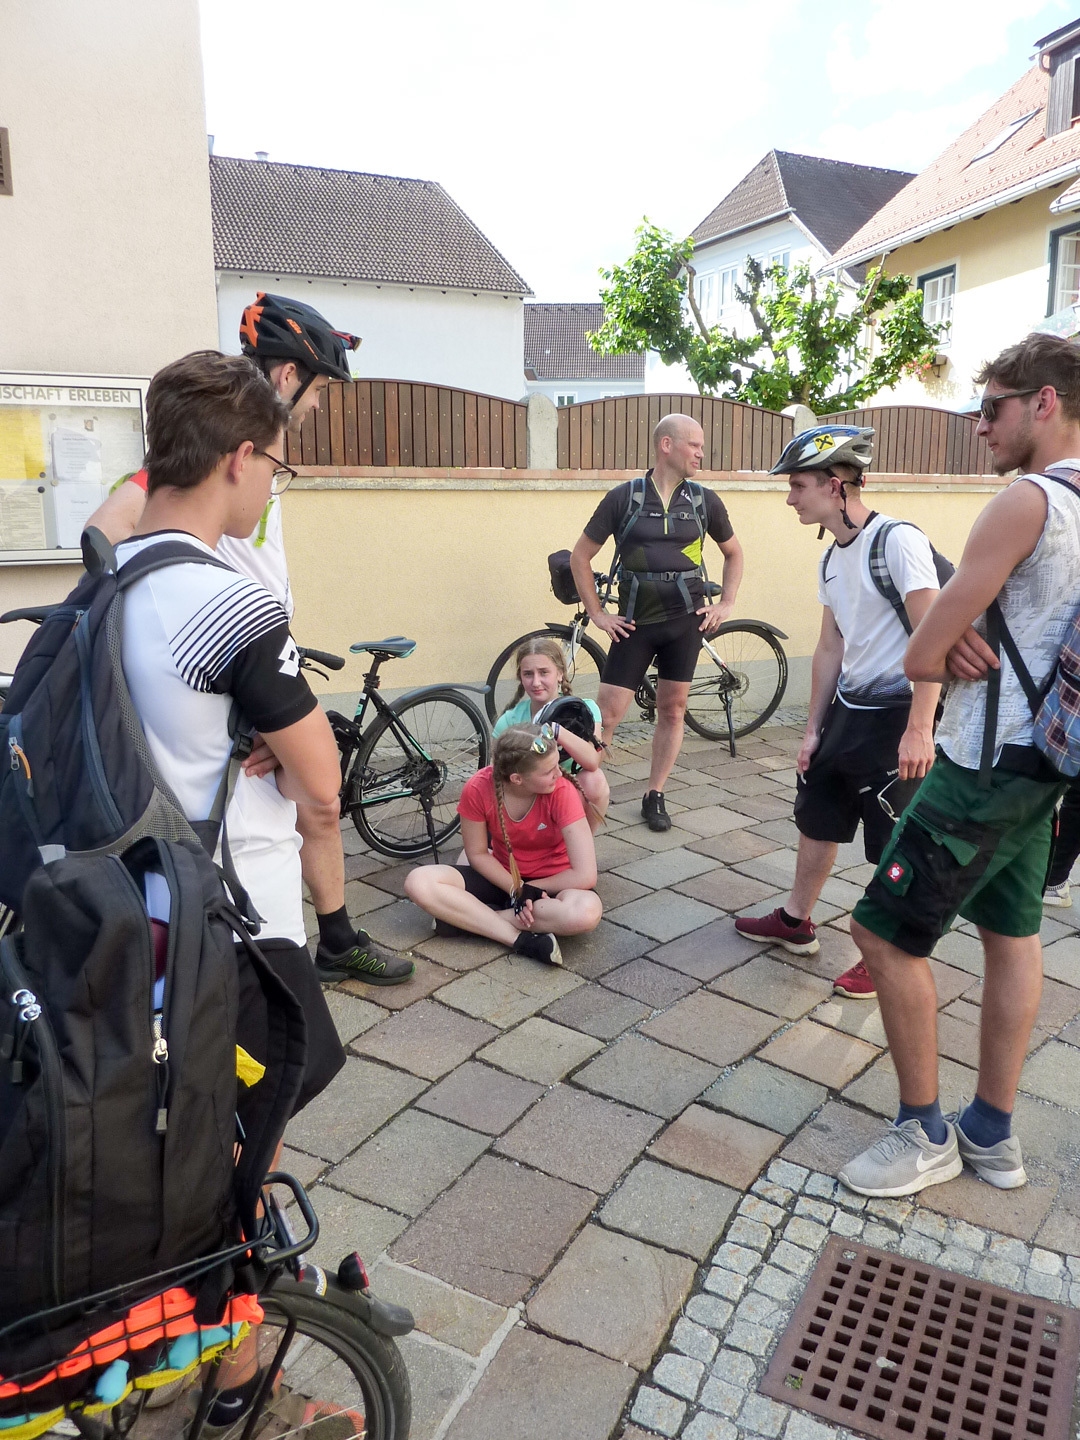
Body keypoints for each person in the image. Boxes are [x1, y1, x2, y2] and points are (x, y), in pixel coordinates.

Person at [118, 349, 350, 1429]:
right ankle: (237, 1376)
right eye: (276, 468)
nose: (271, 489)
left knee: (203, 1134)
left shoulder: (110, 575)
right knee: (248, 1140)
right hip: (231, 921)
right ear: (240, 458)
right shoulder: (226, 599)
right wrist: (287, 746)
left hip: (136, 908)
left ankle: (191, 1327)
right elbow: (323, 781)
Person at [86, 295, 413, 986]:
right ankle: (328, 939)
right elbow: (108, 529)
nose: (317, 406)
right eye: (319, 390)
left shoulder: (243, 447)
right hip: (226, 661)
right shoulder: (222, 452)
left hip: (246, 657)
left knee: (314, 807)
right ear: (289, 375)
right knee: (317, 795)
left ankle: (334, 933)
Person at [839, 332, 1080, 1199]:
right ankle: (992, 1133)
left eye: (991, 408)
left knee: (881, 932)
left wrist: (951, 635)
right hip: (1050, 758)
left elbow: (920, 655)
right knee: (1012, 935)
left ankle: (924, 1133)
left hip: (985, 763)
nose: (980, 426)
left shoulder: (1027, 501)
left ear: (1044, 403)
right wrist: (961, 633)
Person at [733, 427, 941, 1000]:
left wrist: (920, 729)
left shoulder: (896, 542)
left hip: (898, 715)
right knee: (817, 813)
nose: (790, 498)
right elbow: (830, 646)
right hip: (849, 710)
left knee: (893, 837)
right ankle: (796, 921)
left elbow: (934, 636)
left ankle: (886, 952)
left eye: (798, 486)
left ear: (835, 485)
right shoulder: (830, 556)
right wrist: (811, 730)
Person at [569, 414, 744, 832]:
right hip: (635, 624)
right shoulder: (624, 498)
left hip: (686, 622)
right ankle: (579, 796)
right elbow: (580, 557)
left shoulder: (704, 501)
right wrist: (598, 613)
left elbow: (734, 553)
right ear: (667, 445)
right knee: (607, 715)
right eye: (694, 445)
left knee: (673, 709)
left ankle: (655, 794)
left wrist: (726, 603)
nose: (701, 453)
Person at [403, 725, 602, 963]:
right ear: (517, 779)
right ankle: (519, 939)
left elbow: (585, 875)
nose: (559, 774)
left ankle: (469, 920)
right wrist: (516, 888)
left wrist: (530, 889)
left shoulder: (562, 791)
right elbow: (477, 853)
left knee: (586, 912)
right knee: (418, 882)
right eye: (549, 771)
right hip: (502, 878)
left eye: (557, 764)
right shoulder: (477, 787)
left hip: (552, 885)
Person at [492, 635, 610, 831]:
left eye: (544, 672)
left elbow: (592, 761)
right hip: (527, 795)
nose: (536, 682)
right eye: (528, 674)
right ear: (520, 677)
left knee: (595, 780)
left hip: (569, 791)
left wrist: (556, 730)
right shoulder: (510, 720)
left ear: (560, 674)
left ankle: (583, 841)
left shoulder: (585, 709)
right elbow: (495, 774)